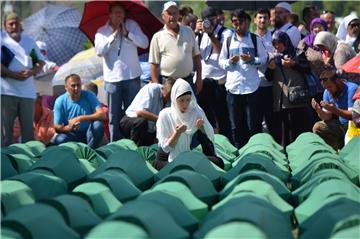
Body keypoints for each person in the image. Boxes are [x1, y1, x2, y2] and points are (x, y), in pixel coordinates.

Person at [95, 1, 149, 142]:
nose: (119, 16)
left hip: (132, 77)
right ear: (110, 15)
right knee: (114, 116)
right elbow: (99, 51)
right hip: (112, 79)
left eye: (121, 13)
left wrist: (128, 34)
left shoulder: (132, 25)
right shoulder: (102, 31)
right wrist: (113, 36)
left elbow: (145, 43)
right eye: (116, 13)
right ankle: (115, 146)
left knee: (133, 114)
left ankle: (133, 143)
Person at [219, 9, 267, 148]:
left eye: (241, 22)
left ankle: (255, 150)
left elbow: (264, 59)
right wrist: (230, 62)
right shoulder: (228, 40)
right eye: (235, 22)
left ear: (247, 22)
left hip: (251, 87)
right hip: (233, 88)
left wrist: (253, 60)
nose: (238, 25)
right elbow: (221, 62)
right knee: (236, 125)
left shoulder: (255, 39)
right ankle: (240, 152)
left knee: (254, 125)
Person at [153, 78, 224, 170]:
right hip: (165, 158)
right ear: (174, 99)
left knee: (218, 162)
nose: (185, 104)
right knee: (181, 168)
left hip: (186, 156)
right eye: (181, 100)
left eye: (188, 100)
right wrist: (177, 133)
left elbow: (209, 143)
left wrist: (201, 128)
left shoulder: (194, 112)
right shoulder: (165, 115)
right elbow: (166, 148)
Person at [1, 12, 45, 146]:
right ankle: (4, 163)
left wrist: (31, 72)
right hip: (6, 92)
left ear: (21, 25)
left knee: (28, 134)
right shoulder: (2, 40)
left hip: (27, 94)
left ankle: (28, 162)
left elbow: (39, 62)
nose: (14, 26)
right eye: (11, 24)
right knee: (5, 133)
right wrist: (12, 74)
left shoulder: (28, 42)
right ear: (5, 26)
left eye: (16, 23)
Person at [268, 30, 312, 146]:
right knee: (283, 130)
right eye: (275, 44)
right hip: (281, 99)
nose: (277, 46)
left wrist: (293, 64)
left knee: (298, 127)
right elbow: (268, 77)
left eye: (280, 43)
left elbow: (307, 69)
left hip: (297, 98)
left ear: (286, 41)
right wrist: (271, 68)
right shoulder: (273, 57)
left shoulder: (297, 53)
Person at [149, 1, 202, 95]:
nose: (172, 17)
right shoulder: (158, 36)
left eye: (174, 13)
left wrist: (199, 79)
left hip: (187, 81)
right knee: (168, 109)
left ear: (178, 15)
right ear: (163, 16)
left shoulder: (188, 31)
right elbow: (154, 66)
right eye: (169, 13)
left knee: (190, 109)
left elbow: (197, 57)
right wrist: (157, 87)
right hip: (167, 83)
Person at [197, 6, 231, 141]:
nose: (209, 22)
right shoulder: (201, 34)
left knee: (222, 117)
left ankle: (227, 143)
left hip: (219, 81)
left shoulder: (226, 32)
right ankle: (209, 144)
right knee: (206, 117)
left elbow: (223, 51)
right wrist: (197, 32)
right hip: (204, 81)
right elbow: (196, 54)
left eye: (211, 19)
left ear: (217, 17)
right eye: (205, 20)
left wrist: (211, 34)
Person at [53, 74, 106, 148]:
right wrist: (69, 127)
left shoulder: (89, 95)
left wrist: (80, 118)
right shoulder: (60, 101)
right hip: (71, 134)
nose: (76, 88)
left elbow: (103, 115)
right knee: (60, 139)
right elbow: (56, 127)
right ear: (66, 87)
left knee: (97, 125)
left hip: (88, 133)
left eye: (78, 85)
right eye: (73, 86)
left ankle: (90, 151)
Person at [120, 78, 175, 146]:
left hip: (149, 129)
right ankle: (134, 149)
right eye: (167, 95)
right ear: (163, 88)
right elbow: (140, 112)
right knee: (141, 122)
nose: (168, 99)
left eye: (170, 97)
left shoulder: (173, 99)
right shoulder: (152, 89)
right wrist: (161, 119)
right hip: (130, 122)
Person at [311, 69, 358, 150]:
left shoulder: (352, 89)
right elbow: (327, 117)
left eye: (330, 87)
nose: (328, 90)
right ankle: (334, 150)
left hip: (355, 126)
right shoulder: (327, 92)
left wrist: (335, 110)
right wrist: (318, 110)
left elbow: (353, 116)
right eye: (326, 87)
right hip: (341, 126)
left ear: (338, 82)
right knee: (318, 127)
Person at [254, 8, 275, 135]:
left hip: (271, 84)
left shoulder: (274, 36)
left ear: (269, 20)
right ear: (255, 20)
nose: (262, 20)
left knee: (272, 119)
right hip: (255, 84)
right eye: (260, 17)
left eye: (265, 18)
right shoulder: (250, 37)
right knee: (255, 120)